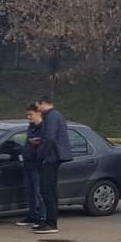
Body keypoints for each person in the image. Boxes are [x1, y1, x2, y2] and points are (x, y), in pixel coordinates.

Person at [33, 96, 72, 234]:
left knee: (47, 189)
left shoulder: (51, 117)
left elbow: (50, 137)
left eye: (38, 105)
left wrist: (41, 154)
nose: (37, 108)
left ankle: (51, 223)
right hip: (55, 155)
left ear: (43, 103)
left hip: (51, 157)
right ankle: (49, 220)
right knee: (49, 190)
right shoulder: (56, 115)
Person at [16, 103, 46, 228]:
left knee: (40, 192)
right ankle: (32, 215)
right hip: (28, 163)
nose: (29, 117)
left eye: (31, 114)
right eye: (27, 115)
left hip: (38, 164)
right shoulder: (31, 127)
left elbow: (47, 144)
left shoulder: (44, 128)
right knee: (30, 192)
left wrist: (38, 143)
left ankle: (43, 217)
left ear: (39, 113)